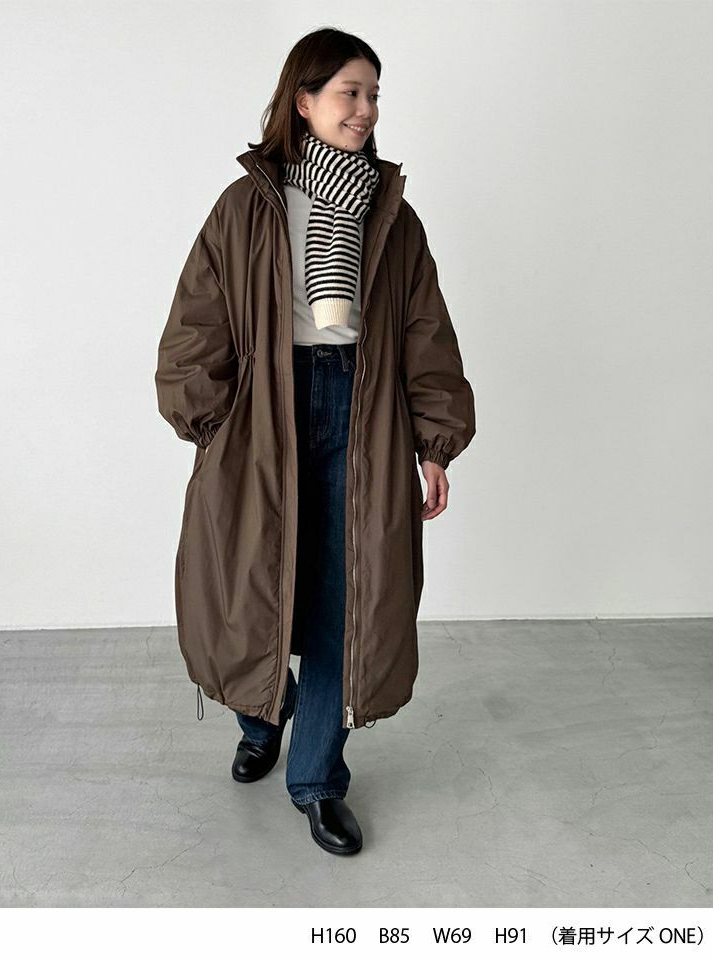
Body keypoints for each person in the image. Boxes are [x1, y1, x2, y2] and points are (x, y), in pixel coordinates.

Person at [155, 28, 476, 856]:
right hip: (264, 414)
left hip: (364, 412)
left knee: (344, 598)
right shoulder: (246, 208)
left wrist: (434, 443)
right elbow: (195, 328)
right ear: (304, 101)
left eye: (374, 96)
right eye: (350, 93)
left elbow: (425, 333)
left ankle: (317, 780)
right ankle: (262, 716)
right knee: (249, 586)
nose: (366, 110)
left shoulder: (392, 218)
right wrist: (214, 427)